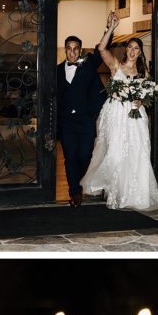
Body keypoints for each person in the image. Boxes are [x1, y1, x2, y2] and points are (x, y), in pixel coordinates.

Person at [80, 14, 158, 210]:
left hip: (136, 115)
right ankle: (117, 193)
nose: (133, 51)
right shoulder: (116, 65)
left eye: (137, 48)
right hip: (117, 114)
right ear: (126, 49)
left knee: (138, 153)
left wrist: (141, 100)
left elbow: (148, 93)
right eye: (130, 47)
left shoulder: (144, 74)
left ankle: (137, 196)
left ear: (141, 52)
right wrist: (111, 27)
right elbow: (101, 49)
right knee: (117, 154)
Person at [56, 28, 110, 207]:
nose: (72, 52)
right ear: (65, 50)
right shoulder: (56, 71)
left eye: (75, 49)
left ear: (80, 50)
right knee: (70, 157)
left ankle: (77, 181)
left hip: (86, 120)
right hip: (66, 123)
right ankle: (75, 192)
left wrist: (109, 28)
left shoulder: (87, 66)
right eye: (69, 48)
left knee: (85, 155)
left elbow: (101, 49)